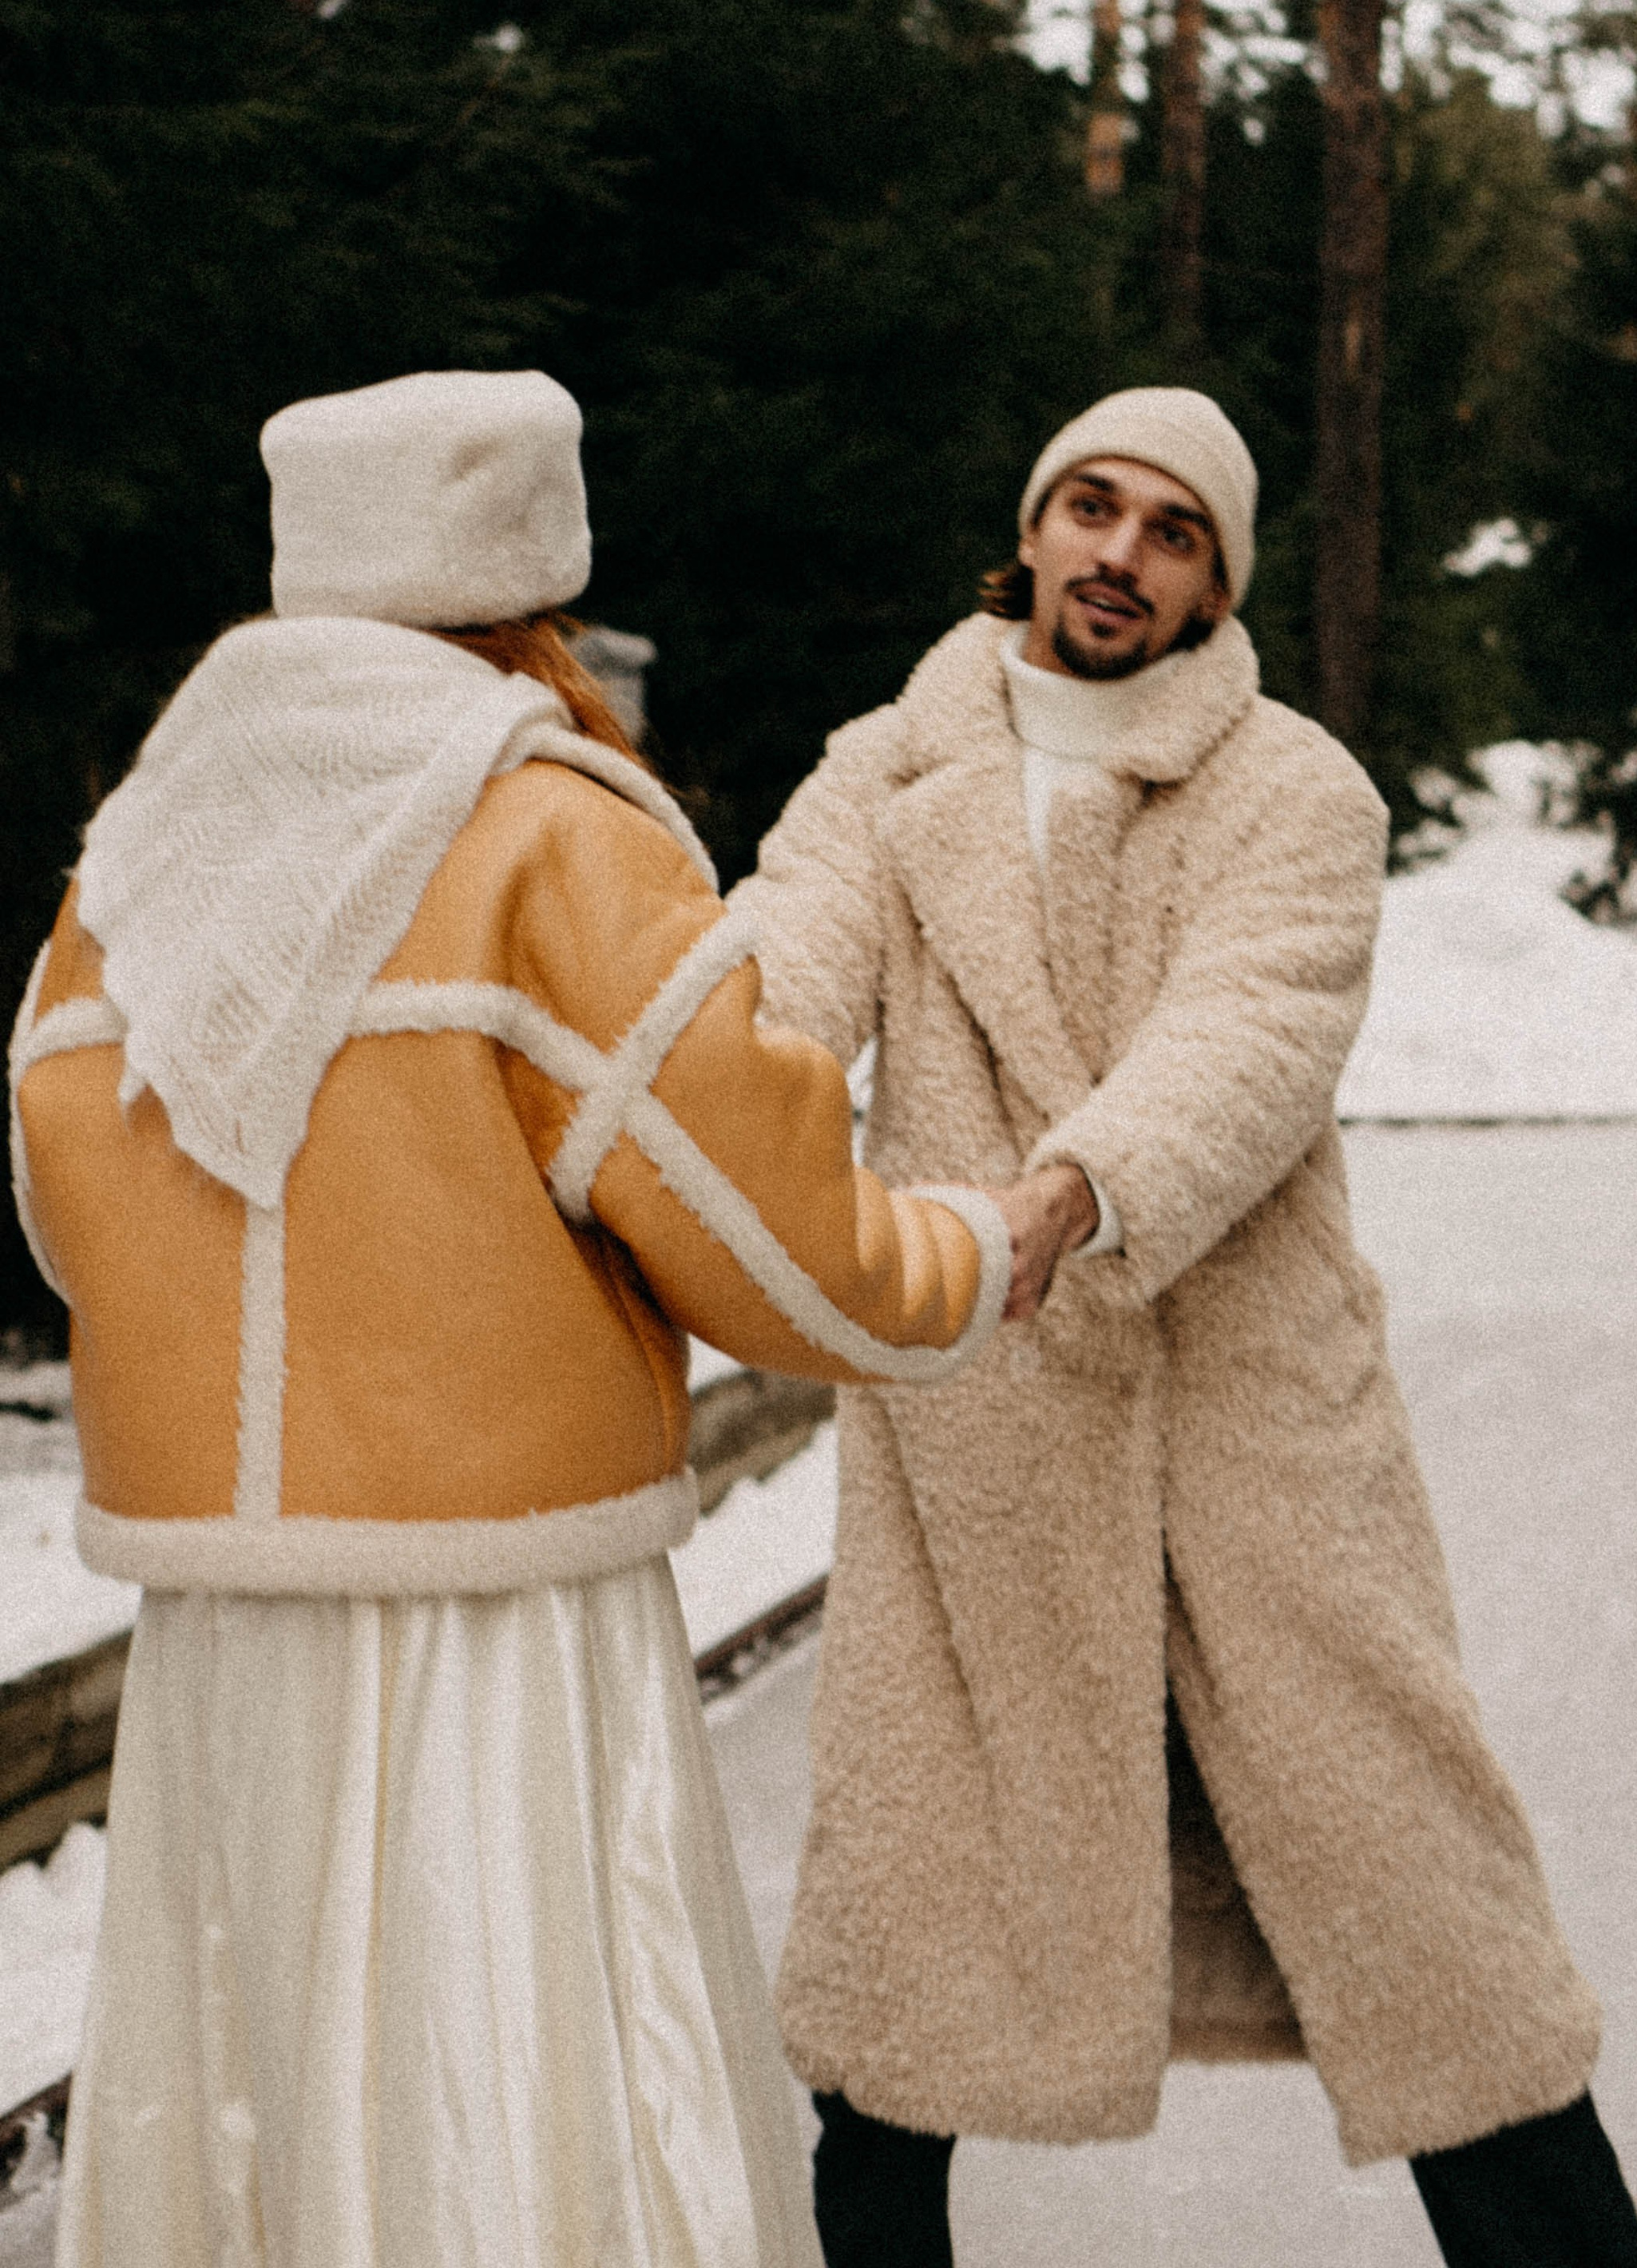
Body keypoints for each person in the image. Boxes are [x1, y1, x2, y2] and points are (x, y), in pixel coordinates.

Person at [7, 368, 1013, 2268]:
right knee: (521, 2065)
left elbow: (72, 1207)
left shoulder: (133, 851)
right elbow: (773, 1239)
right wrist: (973, 1249)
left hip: (226, 1625)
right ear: (532, 581)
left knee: (255, 2078)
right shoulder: (551, 831)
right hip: (497, 1610)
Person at [737, 387, 1637, 2268]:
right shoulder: (884, 768)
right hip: (978, 1442)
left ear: (1216, 581)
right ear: (1033, 524)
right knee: (904, 1959)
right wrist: (685, 1101)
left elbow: (1246, 1043)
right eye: (1092, 507)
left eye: (1174, 532)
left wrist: (1055, 1196)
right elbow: (781, 971)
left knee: (1426, 1932)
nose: (1120, 554)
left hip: (1255, 1433)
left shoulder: (1294, 789)